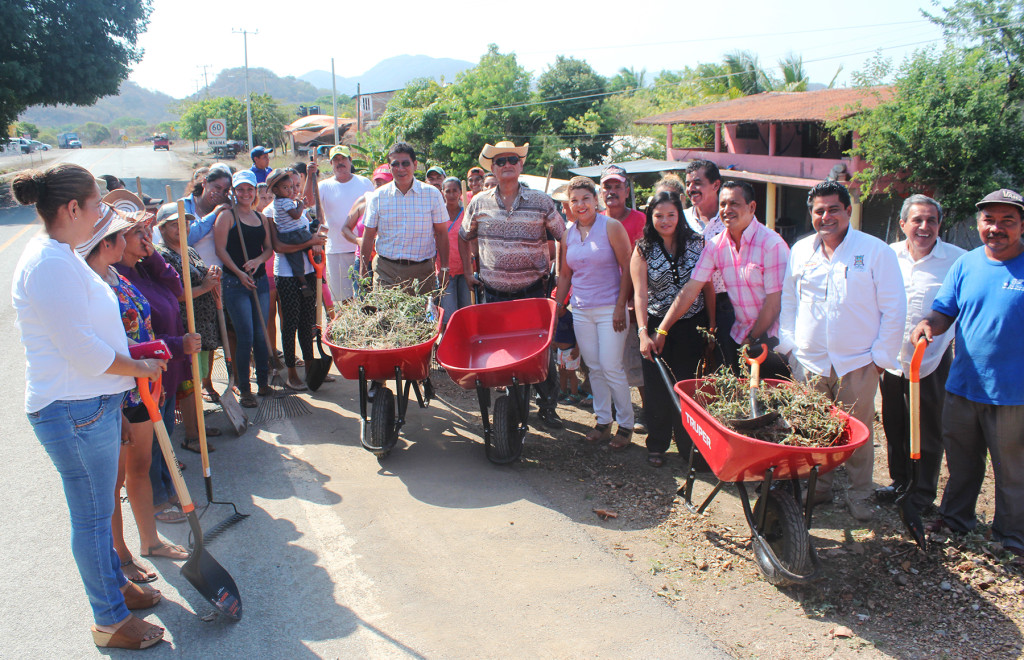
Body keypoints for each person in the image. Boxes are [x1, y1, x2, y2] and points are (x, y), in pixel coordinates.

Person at [12, 163, 167, 649]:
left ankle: (114, 589)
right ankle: (109, 620)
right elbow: (81, 349)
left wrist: (132, 360)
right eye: (97, 203)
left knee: (99, 515)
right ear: (72, 208)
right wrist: (137, 370)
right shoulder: (49, 263)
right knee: (94, 519)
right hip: (71, 410)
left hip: (88, 405)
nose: (101, 212)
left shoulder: (61, 254)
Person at [778, 180, 906, 521]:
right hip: (810, 360)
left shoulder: (876, 251)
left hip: (858, 361)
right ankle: (818, 488)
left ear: (848, 210)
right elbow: (788, 301)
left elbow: (894, 309)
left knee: (857, 432)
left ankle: (860, 493)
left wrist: (880, 360)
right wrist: (789, 346)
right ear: (811, 214)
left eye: (834, 209)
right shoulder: (801, 251)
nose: (826, 216)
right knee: (814, 427)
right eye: (819, 210)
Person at [79, 206, 190, 582]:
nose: (140, 238)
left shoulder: (116, 274)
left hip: (142, 386)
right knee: (113, 480)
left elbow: (135, 332)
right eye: (129, 233)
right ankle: (121, 554)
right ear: (108, 242)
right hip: (116, 393)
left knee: (139, 470)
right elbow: (100, 348)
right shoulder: (91, 284)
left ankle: (150, 541)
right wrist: (141, 364)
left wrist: (151, 359)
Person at [911, 188, 1024, 555]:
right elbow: (945, 309)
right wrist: (930, 324)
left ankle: (1011, 537)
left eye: (1007, 221)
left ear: (1022, 225)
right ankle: (957, 520)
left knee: (1012, 471)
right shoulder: (967, 264)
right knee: (960, 462)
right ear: (978, 223)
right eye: (989, 219)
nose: (996, 228)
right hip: (963, 385)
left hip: (1014, 393)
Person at [461, 140, 566, 429]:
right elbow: (463, 235)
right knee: (502, 352)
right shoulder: (478, 202)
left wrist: (562, 273)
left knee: (542, 352)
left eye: (512, 159)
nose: (506, 164)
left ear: (520, 165)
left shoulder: (542, 201)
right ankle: (510, 402)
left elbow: (564, 236)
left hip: (532, 292)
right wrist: (470, 272)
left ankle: (547, 406)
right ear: (492, 168)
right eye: (500, 161)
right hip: (493, 295)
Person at [875, 195, 965, 510]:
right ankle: (900, 483)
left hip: (932, 361)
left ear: (939, 225)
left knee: (928, 428)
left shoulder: (958, 260)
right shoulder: (887, 255)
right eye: (917, 220)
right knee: (894, 423)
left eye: (932, 221)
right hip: (893, 360)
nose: (924, 227)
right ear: (903, 225)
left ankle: (924, 492)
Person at [653, 181, 790, 378]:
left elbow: (774, 304)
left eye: (734, 204)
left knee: (771, 404)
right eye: (723, 204)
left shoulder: (771, 244)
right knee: (742, 401)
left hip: (772, 339)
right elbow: (691, 289)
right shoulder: (716, 245)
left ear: (751, 207)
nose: (727, 210)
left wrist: (750, 340)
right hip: (740, 335)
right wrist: (662, 330)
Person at [114, 218, 201, 525]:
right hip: (147, 368)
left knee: (165, 430)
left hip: (166, 367)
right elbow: (137, 335)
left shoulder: (143, 268)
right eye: (137, 232)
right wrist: (179, 344)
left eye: (146, 230)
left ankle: (167, 485)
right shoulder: (117, 279)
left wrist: (152, 256)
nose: (146, 236)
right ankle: (155, 499)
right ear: (118, 239)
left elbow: (178, 287)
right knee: (149, 439)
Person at [553, 176, 634, 447]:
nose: (580, 204)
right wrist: (559, 306)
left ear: (595, 199)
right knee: (595, 369)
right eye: (574, 200)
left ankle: (626, 423)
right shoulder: (568, 234)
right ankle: (602, 421)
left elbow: (628, 268)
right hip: (581, 310)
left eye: (585, 198)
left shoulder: (611, 226)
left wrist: (621, 306)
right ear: (569, 204)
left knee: (612, 367)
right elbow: (565, 274)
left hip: (611, 309)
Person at [636, 192, 713, 467]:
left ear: (680, 215)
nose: (665, 220)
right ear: (650, 217)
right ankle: (657, 443)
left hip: (691, 325)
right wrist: (643, 332)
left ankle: (689, 445)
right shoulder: (643, 248)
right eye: (659, 215)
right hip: (656, 326)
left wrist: (712, 325)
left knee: (686, 386)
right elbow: (640, 294)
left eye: (671, 214)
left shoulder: (697, 243)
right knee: (656, 387)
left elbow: (707, 286)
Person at [154, 203, 224, 452]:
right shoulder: (162, 256)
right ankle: (192, 435)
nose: (181, 229)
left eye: (185, 223)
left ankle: (199, 427)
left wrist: (212, 277)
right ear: (161, 228)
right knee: (188, 382)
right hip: (184, 326)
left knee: (198, 376)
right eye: (174, 225)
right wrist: (204, 286)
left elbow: (202, 277)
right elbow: (173, 294)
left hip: (203, 324)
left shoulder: (190, 250)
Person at [215, 170, 274, 407]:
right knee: (246, 336)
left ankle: (263, 383)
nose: (246, 194)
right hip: (234, 282)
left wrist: (258, 261)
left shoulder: (261, 218)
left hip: (258, 281)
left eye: (249, 189)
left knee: (261, 334)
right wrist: (239, 273)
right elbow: (221, 250)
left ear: (255, 191)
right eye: (240, 190)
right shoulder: (227, 216)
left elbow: (268, 248)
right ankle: (244, 388)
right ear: (234, 192)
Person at [360, 142, 449, 295]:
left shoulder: (432, 194)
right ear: (389, 167)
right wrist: (362, 271)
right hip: (386, 271)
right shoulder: (378, 196)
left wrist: (444, 268)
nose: (400, 169)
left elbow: (442, 234)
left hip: (422, 272)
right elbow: (368, 236)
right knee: (385, 316)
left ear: (415, 164)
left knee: (421, 317)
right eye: (395, 164)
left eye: (405, 163)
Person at [599, 164, 647, 432]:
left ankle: (646, 411)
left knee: (635, 361)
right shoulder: (594, 219)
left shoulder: (641, 220)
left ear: (627, 191)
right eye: (607, 186)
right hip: (602, 301)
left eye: (618, 186)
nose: (612, 192)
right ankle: (615, 409)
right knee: (608, 361)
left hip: (633, 303)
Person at [306, 146, 374, 304]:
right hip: (336, 250)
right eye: (336, 159)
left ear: (350, 161)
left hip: (363, 250)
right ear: (331, 163)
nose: (340, 162)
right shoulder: (323, 185)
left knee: (366, 298)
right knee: (344, 300)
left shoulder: (364, 183)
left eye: (343, 159)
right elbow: (308, 202)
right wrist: (310, 177)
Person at [683, 160, 733, 366]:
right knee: (692, 364)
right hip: (689, 303)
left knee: (725, 362)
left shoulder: (731, 220)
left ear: (715, 185)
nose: (691, 188)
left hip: (726, 304)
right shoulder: (681, 218)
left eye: (697, 182)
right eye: (688, 183)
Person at [267, 168, 315, 298]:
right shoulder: (286, 202)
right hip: (294, 234)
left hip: (288, 236)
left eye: (293, 186)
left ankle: (304, 283)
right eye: (286, 188)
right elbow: (295, 215)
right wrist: (300, 206)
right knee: (312, 240)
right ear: (276, 191)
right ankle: (317, 267)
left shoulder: (282, 201)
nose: (291, 190)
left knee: (296, 260)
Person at [439, 176, 471, 323]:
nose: (451, 195)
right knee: (449, 313)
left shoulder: (468, 214)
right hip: (445, 271)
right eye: (448, 191)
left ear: (460, 192)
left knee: (466, 310)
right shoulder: (438, 214)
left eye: (454, 191)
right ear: (442, 192)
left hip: (466, 270)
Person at [554, 311, 581, 403]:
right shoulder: (555, 316)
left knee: (571, 372)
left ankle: (574, 394)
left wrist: (577, 348)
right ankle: (563, 391)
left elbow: (578, 333)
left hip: (570, 351)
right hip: (560, 351)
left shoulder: (571, 317)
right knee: (561, 371)